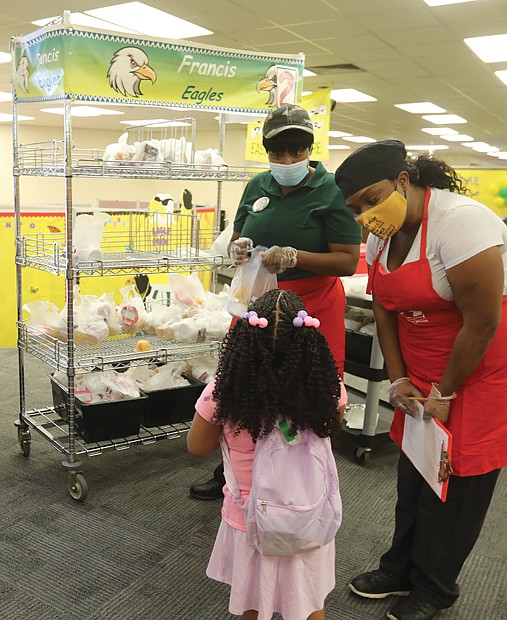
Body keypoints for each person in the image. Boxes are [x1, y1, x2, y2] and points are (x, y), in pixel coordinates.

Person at [334, 140, 507, 620]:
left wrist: (446, 391)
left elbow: (483, 322)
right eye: (356, 208)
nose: (367, 214)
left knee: (457, 489)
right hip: (422, 379)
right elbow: (386, 309)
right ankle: (401, 567)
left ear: (404, 180)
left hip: (475, 376)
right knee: (414, 477)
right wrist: (398, 379)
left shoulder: (461, 223)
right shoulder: (381, 235)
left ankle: (435, 587)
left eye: (372, 198)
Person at [189, 102, 361, 500]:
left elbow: (348, 260)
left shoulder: (331, 190)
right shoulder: (257, 186)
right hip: (259, 304)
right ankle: (233, 470)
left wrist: (296, 256)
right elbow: (237, 236)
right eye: (277, 152)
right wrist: (239, 249)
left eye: (297, 151)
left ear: (309, 150)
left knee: (308, 389)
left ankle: (302, 474)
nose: (287, 160)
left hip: (310, 307)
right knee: (243, 382)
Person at [187, 289, 342, 620]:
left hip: (250, 520)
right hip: (308, 514)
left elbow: (197, 447)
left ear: (242, 339)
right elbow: (333, 426)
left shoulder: (223, 390)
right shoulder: (325, 386)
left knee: (253, 604)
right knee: (310, 600)